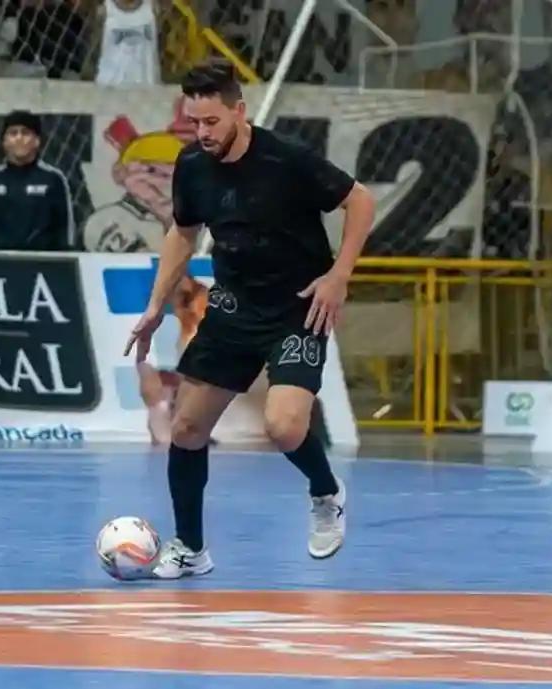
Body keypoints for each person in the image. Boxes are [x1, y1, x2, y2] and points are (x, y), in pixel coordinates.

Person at [124, 60, 376, 579]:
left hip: (298, 306)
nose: (203, 133)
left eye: (212, 121)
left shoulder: (287, 159)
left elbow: (360, 202)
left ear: (240, 111)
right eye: (194, 123)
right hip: (234, 307)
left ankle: (326, 492)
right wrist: (154, 307)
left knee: (283, 426)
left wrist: (339, 276)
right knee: (187, 428)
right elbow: (183, 233)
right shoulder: (193, 166)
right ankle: (191, 549)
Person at [0, 110, 76, 252]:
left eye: (25, 133)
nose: (19, 138)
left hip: (40, 263)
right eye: (13, 133)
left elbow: (63, 230)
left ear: (37, 141)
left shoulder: (53, 179)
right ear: (4, 142)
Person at [139, 273, 207, 445]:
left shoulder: (204, 305)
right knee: (157, 388)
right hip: (184, 374)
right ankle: (165, 442)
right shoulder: (159, 316)